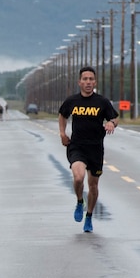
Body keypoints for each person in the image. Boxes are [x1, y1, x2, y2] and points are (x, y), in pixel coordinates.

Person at [58, 66, 119, 233]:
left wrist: (111, 123)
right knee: (78, 178)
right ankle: (79, 201)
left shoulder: (102, 102)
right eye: (85, 79)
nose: (88, 82)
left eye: (91, 79)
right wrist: (62, 134)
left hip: (96, 148)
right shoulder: (72, 101)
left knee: (93, 185)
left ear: (95, 82)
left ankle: (89, 216)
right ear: (79, 82)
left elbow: (114, 117)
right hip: (77, 146)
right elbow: (62, 115)